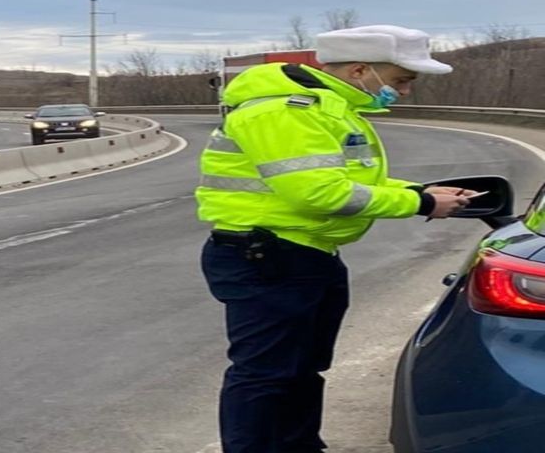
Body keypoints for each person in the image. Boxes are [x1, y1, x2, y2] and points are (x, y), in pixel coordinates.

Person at [195, 24, 476, 453]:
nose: (403, 92)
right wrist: (420, 203)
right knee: (266, 375)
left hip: (303, 255)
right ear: (360, 70)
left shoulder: (328, 109)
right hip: (269, 257)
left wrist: (420, 191)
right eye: (401, 81)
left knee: (301, 370)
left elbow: (347, 180)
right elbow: (319, 193)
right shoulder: (285, 112)